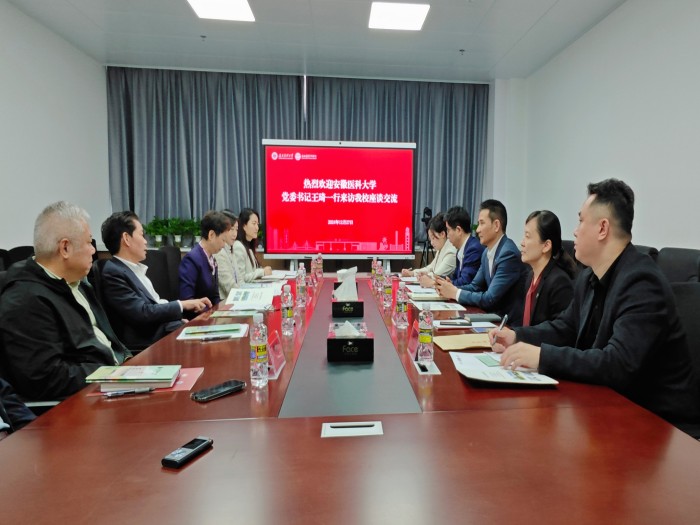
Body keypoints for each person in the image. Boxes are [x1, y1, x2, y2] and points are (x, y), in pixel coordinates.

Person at [492, 179, 700, 434]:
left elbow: (618, 363)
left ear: (602, 228)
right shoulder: (589, 277)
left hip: (660, 426)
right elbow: (565, 327)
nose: (575, 231)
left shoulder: (642, 283)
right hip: (609, 409)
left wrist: (543, 356)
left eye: (581, 221)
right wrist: (517, 336)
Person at [0, 202, 131, 400]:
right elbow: (46, 379)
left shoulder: (77, 283)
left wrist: (129, 363)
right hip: (85, 399)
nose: (93, 251)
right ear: (65, 248)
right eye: (89, 243)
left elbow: (110, 343)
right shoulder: (25, 300)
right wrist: (111, 373)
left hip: (113, 382)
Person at [100, 212, 212, 348]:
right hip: (146, 344)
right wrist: (181, 305)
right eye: (141, 235)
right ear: (126, 239)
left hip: (164, 331)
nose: (145, 241)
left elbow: (156, 305)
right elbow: (142, 313)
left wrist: (176, 318)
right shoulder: (113, 272)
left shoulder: (135, 269)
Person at [436, 199, 528, 326]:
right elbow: (475, 286)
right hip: (490, 318)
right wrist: (449, 288)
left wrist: (455, 293)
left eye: (481, 223)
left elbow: (490, 298)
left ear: (496, 225)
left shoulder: (508, 254)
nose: (477, 230)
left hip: (507, 325)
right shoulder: (486, 253)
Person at [519, 210, 577, 326]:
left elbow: (560, 331)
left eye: (527, 236)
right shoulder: (530, 275)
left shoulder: (559, 282)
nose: (522, 243)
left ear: (546, 246)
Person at [179, 210, 230, 305]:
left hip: (210, 312)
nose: (224, 245)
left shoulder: (212, 259)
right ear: (211, 235)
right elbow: (187, 300)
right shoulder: (191, 259)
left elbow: (215, 297)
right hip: (199, 313)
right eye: (223, 240)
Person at [401, 212, 457, 288]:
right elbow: (430, 268)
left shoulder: (451, 251)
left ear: (442, 234)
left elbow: (436, 275)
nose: (431, 243)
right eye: (430, 239)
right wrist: (412, 273)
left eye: (433, 238)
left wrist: (423, 275)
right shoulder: (442, 247)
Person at [443, 206, 484, 287]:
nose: (447, 236)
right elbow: (455, 278)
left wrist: (442, 284)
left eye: (448, 230)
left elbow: (465, 281)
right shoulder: (461, 249)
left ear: (458, 230)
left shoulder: (474, 249)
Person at [233, 208, 272, 282]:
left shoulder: (249, 246)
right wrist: (262, 272)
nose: (257, 228)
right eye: (254, 224)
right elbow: (241, 279)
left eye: (257, 224)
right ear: (244, 226)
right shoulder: (238, 246)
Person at [214, 209, 241, 300]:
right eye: (231, 229)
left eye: (236, 230)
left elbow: (239, 280)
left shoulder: (230, 249)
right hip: (224, 302)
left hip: (233, 299)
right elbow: (230, 287)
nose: (235, 234)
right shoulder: (219, 253)